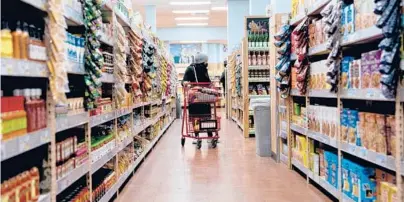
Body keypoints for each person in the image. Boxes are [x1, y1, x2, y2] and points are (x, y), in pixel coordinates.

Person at [182, 53, 213, 143]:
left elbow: (208, 82)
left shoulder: (200, 69)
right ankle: (206, 136)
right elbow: (184, 81)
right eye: (205, 61)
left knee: (198, 117)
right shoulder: (191, 69)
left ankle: (199, 136)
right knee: (205, 117)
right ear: (202, 61)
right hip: (201, 97)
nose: (206, 63)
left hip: (197, 97)